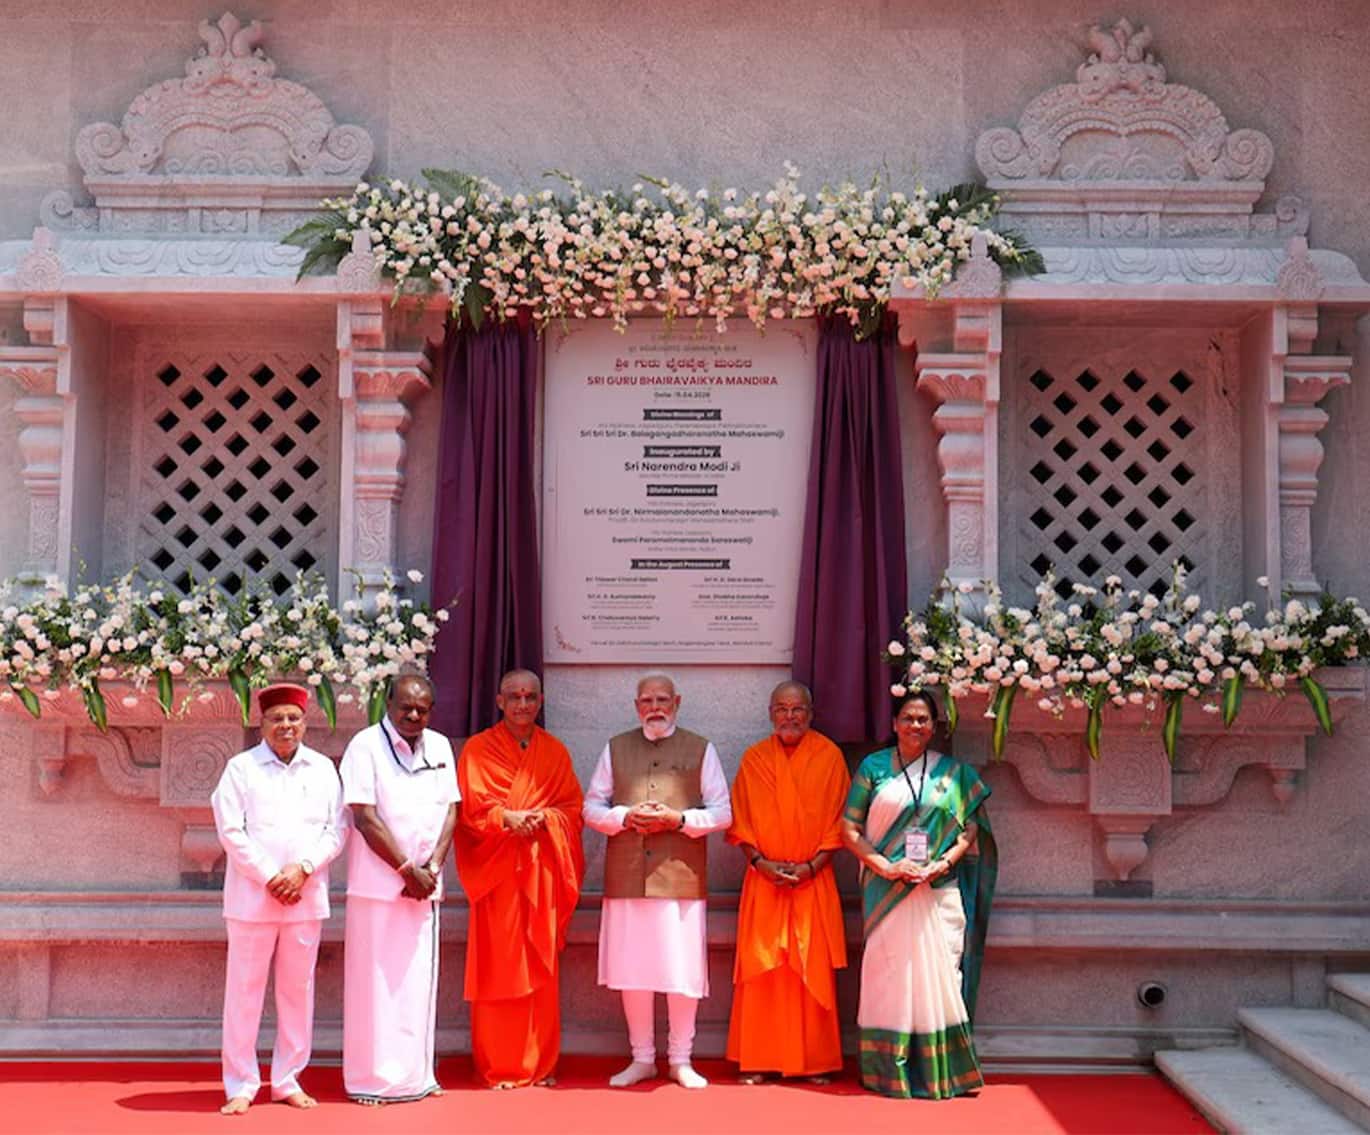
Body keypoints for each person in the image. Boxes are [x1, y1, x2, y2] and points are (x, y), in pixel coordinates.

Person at [840, 688, 997, 1099]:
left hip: (937, 889)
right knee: (888, 976)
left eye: (923, 719)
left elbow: (970, 831)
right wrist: (886, 866)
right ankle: (887, 1070)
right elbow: (849, 831)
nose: (915, 725)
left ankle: (940, 1072)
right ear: (894, 724)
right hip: (886, 890)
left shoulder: (953, 774)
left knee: (942, 973)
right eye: (907, 718)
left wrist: (941, 865)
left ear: (933, 727)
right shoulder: (873, 768)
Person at [583, 673, 732, 1089]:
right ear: (636, 706)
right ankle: (642, 1057)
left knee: (680, 970)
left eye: (662, 699)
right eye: (646, 700)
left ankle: (681, 1059)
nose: (655, 707)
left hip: (680, 877)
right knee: (633, 969)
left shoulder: (701, 748)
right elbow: (590, 807)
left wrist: (679, 820)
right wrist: (624, 817)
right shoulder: (615, 747)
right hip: (627, 875)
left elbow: (723, 812)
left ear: (677, 702)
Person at [210, 682, 346, 1117]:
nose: (286, 726)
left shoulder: (323, 769)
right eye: (277, 719)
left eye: (293, 718)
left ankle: (288, 1079)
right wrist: (271, 875)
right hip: (253, 900)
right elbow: (231, 831)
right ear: (262, 723)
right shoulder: (240, 768)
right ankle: (241, 1083)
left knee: (297, 991)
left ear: (305, 722)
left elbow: (337, 829)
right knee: (244, 992)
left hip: (305, 898)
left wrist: (303, 869)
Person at [455, 669, 585, 1089]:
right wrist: (505, 818)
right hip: (498, 878)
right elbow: (469, 812)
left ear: (541, 701)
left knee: (540, 970)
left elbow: (572, 809)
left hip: (539, 876)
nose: (523, 704)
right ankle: (502, 1064)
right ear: (499, 701)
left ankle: (541, 1063)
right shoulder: (478, 750)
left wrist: (546, 819)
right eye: (514, 696)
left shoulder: (555, 752)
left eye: (530, 696)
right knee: (500, 969)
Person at [340, 672, 459, 1105]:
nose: (413, 715)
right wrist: (407, 869)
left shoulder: (441, 746)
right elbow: (364, 816)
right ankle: (370, 1080)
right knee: (374, 985)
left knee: (416, 983)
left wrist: (433, 867)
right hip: (379, 886)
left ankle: (416, 1076)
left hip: (423, 888)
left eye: (422, 709)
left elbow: (451, 810)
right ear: (387, 702)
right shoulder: (365, 746)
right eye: (405, 706)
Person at [726, 680, 850, 1084]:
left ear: (811, 714)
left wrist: (812, 866)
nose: (790, 716)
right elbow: (740, 822)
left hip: (813, 882)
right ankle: (760, 1059)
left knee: (808, 970)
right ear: (770, 714)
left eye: (798, 709)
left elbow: (840, 824)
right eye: (782, 709)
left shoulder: (830, 757)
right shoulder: (754, 759)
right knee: (765, 972)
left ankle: (813, 1061)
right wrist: (760, 862)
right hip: (764, 882)